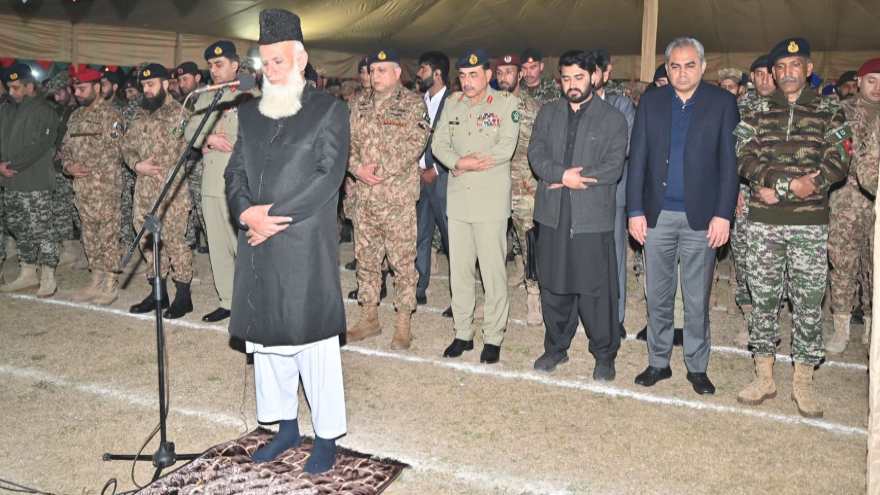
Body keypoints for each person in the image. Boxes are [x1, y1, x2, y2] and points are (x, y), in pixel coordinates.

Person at [224, 8, 348, 472]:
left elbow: (327, 176)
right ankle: (285, 426)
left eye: (279, 61)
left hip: (302, 242)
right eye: (266, 62)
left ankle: (327, 436)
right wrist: (245, 212)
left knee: (313, 343)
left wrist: (271, 217)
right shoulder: (249, 113)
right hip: (259, 243)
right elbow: (235, 172)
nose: (271, 71)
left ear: (301, 60)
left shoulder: (328, 110)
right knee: (268, 341)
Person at [736, 38, 850, 418]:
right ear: (773, 72)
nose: (787, 73)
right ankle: (764, 376)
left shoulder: (828, 110)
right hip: (764, 224)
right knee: (763, 300)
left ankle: (803, 382)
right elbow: (743, 157)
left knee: (808, 303)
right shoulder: (755, 110)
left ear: (808, 69)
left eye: (795, 65)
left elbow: (838, 162)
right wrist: (787, 185)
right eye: (780, 67)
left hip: (808, 225)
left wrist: (790, 189)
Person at [627, 37, 739, 395]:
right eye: (675, 66)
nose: (682, 72)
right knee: (658, 295)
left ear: (702, 67)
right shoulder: (652, 101)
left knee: (696, 298)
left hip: (702, 219)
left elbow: (730, 165)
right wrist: (634, 210)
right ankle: (658, 362)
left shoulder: (723, 103)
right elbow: (637, 158)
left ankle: (697, 366)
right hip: (657, 216)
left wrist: (723, 215)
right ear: (668, 68)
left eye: (690, 65)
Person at [528, 50, 628, 378]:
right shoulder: (548, 113)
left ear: (594, 77)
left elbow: (613, 166)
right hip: (553, 214)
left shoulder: (612, 118)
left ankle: (604, 355)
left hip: (591, 217)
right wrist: (560, 174)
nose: (572, 84)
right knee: (554, 286)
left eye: (579, 77)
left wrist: (574, 178)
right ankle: (556, 348)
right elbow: (536, 154)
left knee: (595, 290)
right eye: (567, 78)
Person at [432, 49, 520, 364]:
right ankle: (463, 333)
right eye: (463, 75)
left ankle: (493, 336)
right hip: (458, 201)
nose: (467, 81)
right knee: (460, 272)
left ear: (488, 75)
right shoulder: (453, 103)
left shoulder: (506, 103)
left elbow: (505, 147)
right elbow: (438, 143)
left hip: (490, 200)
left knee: (493, 274)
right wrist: (457, 162)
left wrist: (467, 164)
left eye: (474, 75)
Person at [345, 48, 429, 349]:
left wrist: (377, 171)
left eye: (382, 70)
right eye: (372, 70)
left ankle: (403, 323)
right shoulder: (358, 103)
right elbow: (347, 143)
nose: (375, 75)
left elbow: (415, 143)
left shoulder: (412, 103)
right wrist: (356, 169)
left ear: (397, 73)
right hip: (365, 197)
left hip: (397, 200)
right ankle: (369, 318)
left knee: (402, 262)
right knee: (366, 260)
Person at [184, 41, 257, 323]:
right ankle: (227, 300)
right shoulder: (205, 95)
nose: (214, 70)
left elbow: (261, 132)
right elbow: (189, 128)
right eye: (211, 66)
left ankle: (254, 300)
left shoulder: (249, 92)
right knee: (217, 247)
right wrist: (208, 138)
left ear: (235, 65)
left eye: (219, 64)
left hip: (239, 183)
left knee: (244, 246)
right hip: (211, 181)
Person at [122, 63, 194, 319]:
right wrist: (136, 164)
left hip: (171, 189)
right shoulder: (139, 114)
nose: (146, 90)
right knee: (147, 240)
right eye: (143, 85)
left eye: (150, 84)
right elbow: (126, 147)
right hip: (144, 189)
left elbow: (190, 148)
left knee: (174, 240)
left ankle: (183, 296)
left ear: (165, 84)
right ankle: (158, 293)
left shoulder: (181, 113)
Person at [826, 58, 880, 352]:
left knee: (875, 267)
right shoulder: (842, 113)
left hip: (878, 204)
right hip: (847, 200)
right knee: (843, 264)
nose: (877, 87)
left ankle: (872, 327)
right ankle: (841, 328)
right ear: (859, 82)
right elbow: (837, 155)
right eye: (872, 81)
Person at [60, 65, 125, 304]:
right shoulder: (75, 116)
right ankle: (95, 280)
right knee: (89, 236)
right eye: (75, 89)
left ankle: (110, 283)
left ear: (97, 88)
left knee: (108, 236)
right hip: (82, 189)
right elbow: (65, 148)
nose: (77, 93)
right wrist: (69, 166)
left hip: (104, 188)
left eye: (82, 89)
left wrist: (86, 165)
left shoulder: (112, 116)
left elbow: (117, 151)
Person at [0, 63, 61, 297]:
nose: (12, 92)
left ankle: (48, 275)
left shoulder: (44, 110)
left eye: (16, 87)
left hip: (35, 182)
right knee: (19, 227)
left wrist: (11, 166)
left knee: (42, 228)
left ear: (29, 86)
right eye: (9, 87)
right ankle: (27, 272)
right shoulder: (6, 110)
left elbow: (40, 145)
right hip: (12, 183)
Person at [731, 54, 777, 346]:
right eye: (758, 74)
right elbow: (729, 152)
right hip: (745, 196)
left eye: (768, 73)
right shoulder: (739, 108)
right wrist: (733, 190)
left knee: (773, 261)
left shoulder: (789, 107)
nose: (764, 79)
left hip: (780, 200)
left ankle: (768, 319)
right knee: (744, 255)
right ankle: (749, 316)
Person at [494, 52, 543, 326]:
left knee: (529, 242)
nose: (504, 77)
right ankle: (493, 297)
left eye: (509, 72)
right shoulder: (487, 105)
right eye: (500, 73)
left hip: (524, 187)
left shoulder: (533, 108)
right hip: (493, 184)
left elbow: (542, 147)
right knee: (492, 243)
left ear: (520, 74)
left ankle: (533, 296)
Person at [591, 49, 637, 338]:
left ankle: (615, 316)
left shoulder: (621, 105)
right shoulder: (571, 104)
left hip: (612, 193)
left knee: (614, 256)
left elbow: (625, 147)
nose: (590, 76)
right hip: (578, 193)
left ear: (606, 73)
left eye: (595, 70)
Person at [414, 51, 451, 307]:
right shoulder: (419, 102)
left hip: (442, 180)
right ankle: (419, 286)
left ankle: (459, 297)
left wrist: (435, 169)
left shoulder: (455, 102)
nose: (418, 74)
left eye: (423, 69)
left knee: (451, 240)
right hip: (418, 179)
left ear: (437, 74)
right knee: (421, 235)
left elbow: (458, 143)